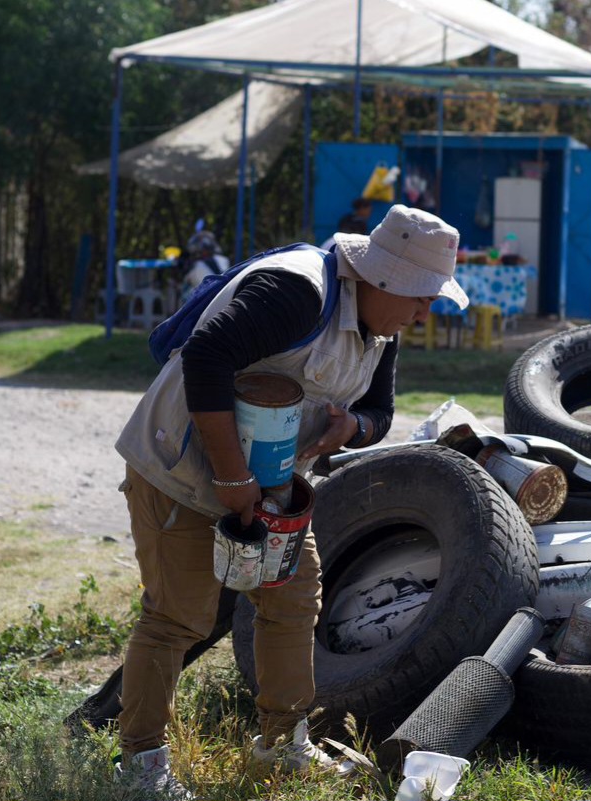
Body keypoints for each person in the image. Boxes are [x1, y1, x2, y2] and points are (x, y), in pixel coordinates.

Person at [111, 205, 468, 798]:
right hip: (179, 468)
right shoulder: (295, 291)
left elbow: (381, 412)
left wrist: (350, 428)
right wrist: (231, 480)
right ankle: (140, 768)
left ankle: (282, 745)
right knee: (178, 617)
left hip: (271, 488)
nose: (423, 311)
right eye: (420, 296)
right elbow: (204, 358)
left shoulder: (383, 327)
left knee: (294, 600)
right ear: (382, 277)